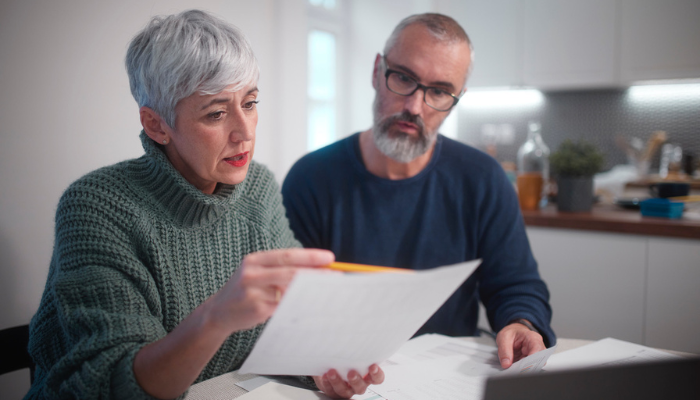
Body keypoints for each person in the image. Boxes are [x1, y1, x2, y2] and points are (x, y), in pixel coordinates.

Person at [25, 10, 382, 399]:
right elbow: (114, 384)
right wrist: (217, 316)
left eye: (250, 103)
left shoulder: (256, 187)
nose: (244, 132)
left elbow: (294, 318)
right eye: (216, 113)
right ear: (156, 124)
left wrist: (321, 363)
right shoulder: (96, 208)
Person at [282, 13, 556, 369]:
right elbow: (290, 307)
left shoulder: (482, 178)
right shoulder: (311, 179)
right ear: (377, 71)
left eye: (439, 91)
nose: (414, 107)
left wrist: (523, 323)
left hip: (445, 379)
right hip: (338, 373)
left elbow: (517, 284)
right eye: (404, 78)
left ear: (457, 98)